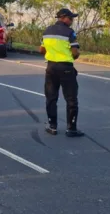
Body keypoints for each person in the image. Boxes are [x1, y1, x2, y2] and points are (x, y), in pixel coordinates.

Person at [39, 9, 84, 137]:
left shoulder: (47, 31)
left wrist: (52, 54)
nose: (72, 21)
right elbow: (75, 52)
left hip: (51, 67)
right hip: (66, 68)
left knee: (51, 98)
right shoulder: (69, 32)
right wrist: (73, 57)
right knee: (71, 99)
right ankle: (71, 129)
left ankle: (52, 126)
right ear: (63, 18)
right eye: (71, 18)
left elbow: (41, 49)